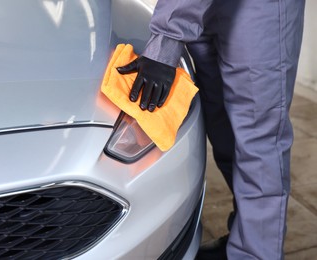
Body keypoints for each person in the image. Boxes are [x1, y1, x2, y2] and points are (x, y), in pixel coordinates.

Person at [117, 0, 306, 259]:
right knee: (224, 130)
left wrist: (167, 40)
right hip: (202, 8)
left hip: (260, 9)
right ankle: (250, 235)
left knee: (258, 138)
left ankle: (257, 253)